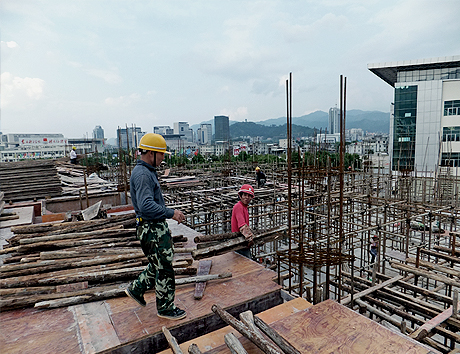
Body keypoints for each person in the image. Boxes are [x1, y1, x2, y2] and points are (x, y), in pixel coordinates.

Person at [125, 133, 187, 320]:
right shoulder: (143, 174)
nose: (162, 159)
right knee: (165, 267)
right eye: (161, 155)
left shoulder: (145, 172)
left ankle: (137, 289)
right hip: (152, 229)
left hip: (151, 228)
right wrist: (171, 212)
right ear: (151, 153)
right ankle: (166, 308)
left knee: (157, 263)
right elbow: (146, 206)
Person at [231, 184, 255, 259]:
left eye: (249, 196)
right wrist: (250, 239)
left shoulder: (244, 207)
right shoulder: (238, 206)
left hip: (242, 240)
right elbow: (242, 225)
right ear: (240, 196)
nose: (247, 198)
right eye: (245, 195)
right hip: (239, 241)